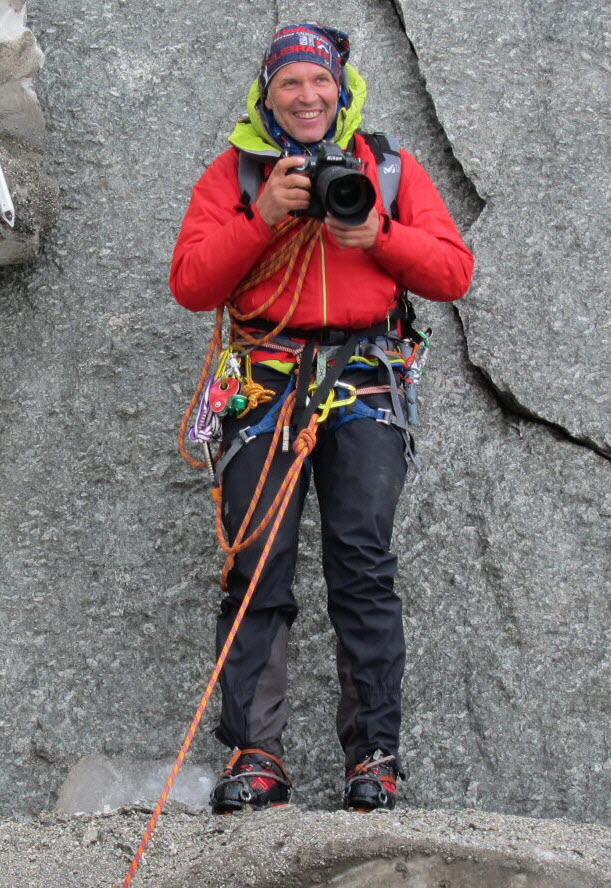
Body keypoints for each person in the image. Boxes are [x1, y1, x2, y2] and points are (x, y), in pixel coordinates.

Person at [170, 23, 474, 814]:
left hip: (365, 383)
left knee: (363, 566)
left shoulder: (391, 168)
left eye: (319, 82)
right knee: (254, 568)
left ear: (341, 87)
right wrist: (264, 212)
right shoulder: (237, 174)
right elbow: (193, 284)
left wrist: (379, 234)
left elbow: (451, 272)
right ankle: (254, 754)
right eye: (289, 84)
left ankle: (373, 756)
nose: (307, 96)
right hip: (265, 386)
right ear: (265, 95)